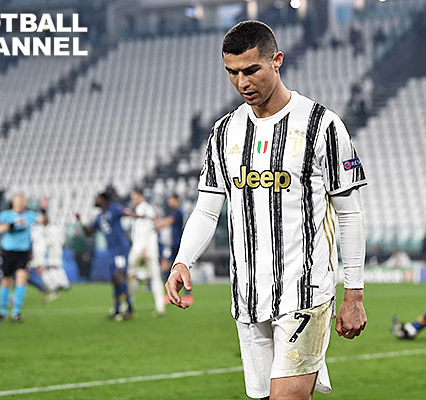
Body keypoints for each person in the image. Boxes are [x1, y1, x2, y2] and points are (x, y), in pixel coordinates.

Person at [165, 21, 368, 400]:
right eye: (232, 72)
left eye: (251, 70)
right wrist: (182, 260)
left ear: (277, 60)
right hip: (247, 297)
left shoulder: (321, 125)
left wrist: (353, 293)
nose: (242, 82)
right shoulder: (224, 132)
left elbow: (350, 213)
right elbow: (207, 209)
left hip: (305, 293)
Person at [76, 192, 132, 321]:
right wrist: (80, 222)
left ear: (103, 199)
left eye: (97, 198)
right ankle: (117, 308)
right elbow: (89, 232)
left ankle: (128, 307)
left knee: (119, 276)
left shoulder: (114, 208)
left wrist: (141, 216)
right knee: (114, 280)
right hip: (111, 251)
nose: (95, 200)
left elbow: (126, 212)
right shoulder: (99, 217)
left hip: (120, 249)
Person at [0, 194, 40, 322]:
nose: (20, 204)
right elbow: (0, 229)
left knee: (22, 278)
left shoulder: (29, 215)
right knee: (6, 279)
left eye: (22, 202)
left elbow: (43, 220)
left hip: (23, 252)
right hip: (8, 251)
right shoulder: (6, 214)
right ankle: (2, 310)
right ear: (13, 202)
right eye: (18, 201)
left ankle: (16, 312)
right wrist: (13, 224)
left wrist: (44, 210)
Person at [127, 189, 165, 316]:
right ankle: (159, 307)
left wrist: (144, 248)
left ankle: (128, 305)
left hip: (144, 249)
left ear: (141, 196)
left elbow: (147, 229)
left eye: (135, 196)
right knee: (147, 277)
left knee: (136, 276)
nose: (133, 199)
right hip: (144, 248)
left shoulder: (145, 209)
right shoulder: (143, 209)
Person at [155, 194, 192, 303]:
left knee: (179, 268)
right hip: (173, 244)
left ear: (177, 201)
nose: (170, 203)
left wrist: (158, 224)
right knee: (168, 268)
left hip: (178, 244)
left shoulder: (178, 212)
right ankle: (172, 293)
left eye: (172, 201)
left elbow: (169, 221)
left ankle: (186, 294)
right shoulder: (173, 212)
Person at [30, 213, 70, 301]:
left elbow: (51, 240)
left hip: (42, 251)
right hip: (42, 250)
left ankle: (53, 287)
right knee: (44, 268)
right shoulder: (39, 228)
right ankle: (52, 286)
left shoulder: (43, 228)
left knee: (43, 268)